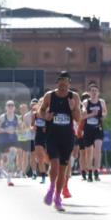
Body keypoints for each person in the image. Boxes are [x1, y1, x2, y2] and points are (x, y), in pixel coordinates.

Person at [37, 71, 82, 211]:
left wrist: (72, 107)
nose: (63, 87)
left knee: (62, 170)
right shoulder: (49, 96)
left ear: (69, 83)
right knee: (55, 166)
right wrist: (46, 116)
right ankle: (51, 189)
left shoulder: (74, 97)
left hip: (67, 137)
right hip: (52, 136)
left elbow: (78, 118)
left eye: (65, 83)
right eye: (61, 83)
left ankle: (57, 197)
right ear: (57, 83)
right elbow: (40, 111)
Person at [81, 83, 107, 181]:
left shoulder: (102, 102)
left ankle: (96, 170)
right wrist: (92, 114)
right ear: (89, 93)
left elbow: (105, 113)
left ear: (98, 93)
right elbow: (82, 116)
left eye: (96, 91)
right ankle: (90, 171)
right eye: (92, 91)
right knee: (88, 152)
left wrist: (102, 115)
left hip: (98, 128)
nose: (94, 93)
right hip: (88, 129)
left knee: (98, 149)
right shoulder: (86, 102)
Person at [0, 100, 20, 186]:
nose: (10, 107)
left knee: (12, 155)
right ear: (6, 107)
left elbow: (21, 129)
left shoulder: (17, 118)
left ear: (14, 108)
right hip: (3, 141)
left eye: (12, 105)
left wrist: (17, 130)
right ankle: (1, 170)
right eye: (8, 106)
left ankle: (9, 179)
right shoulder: (2, 117)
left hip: (13, 141)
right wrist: (6, 130)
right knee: (4, 160)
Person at [30, 98, 49, 183]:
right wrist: (33, 127)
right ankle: (43, 176)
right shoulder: (35, 114)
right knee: (39, 157)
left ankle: (52, 170)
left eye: (43, 103)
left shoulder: (48, 113)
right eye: (40, 103)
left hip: (48, 136)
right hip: (38, 135)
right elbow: (31, 125)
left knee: (48, 157)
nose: (42, 104)